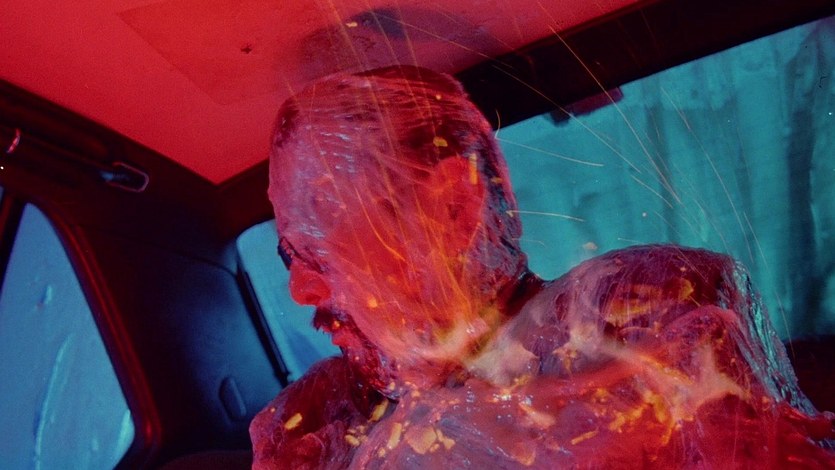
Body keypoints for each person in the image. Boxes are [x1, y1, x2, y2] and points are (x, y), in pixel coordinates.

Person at [250, 66, 835, 468]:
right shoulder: (328, 416)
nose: (300, 290)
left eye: (318, 245)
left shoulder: (640, 311)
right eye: (290, 256)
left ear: (452, 209)